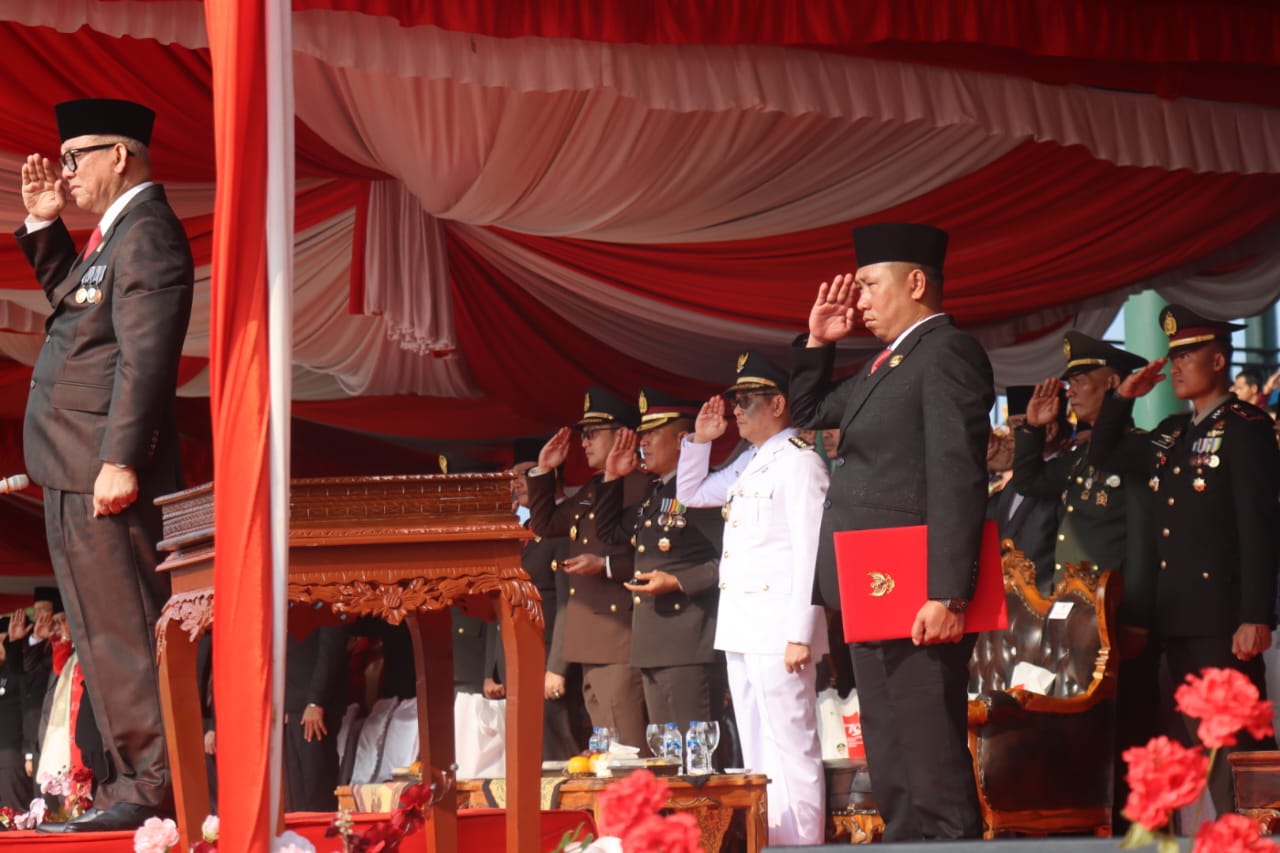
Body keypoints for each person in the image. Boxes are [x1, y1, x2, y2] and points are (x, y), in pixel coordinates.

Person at [18, 97, 194, 832]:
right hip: (72, 467)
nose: (65, 173)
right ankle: (131, 781)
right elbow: (76, 306)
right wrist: (44, 226)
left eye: (75, 159)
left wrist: (121, 458)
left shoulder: (148, 232)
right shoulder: (109, 237)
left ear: (120, 156)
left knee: (124, 627)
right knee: (97, 631)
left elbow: (145, 356)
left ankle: (155, 785)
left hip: (106, 471)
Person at [789, 222, 992, 841]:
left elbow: (956, 475)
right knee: (893, 766)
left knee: (930, 764)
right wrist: (818, 344)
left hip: (917, 589)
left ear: (916, 282)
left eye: (871, 285)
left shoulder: (945, 352)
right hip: (872, 584)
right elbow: (806, 412)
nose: (862, 300)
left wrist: (948, 592)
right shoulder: (889, 361)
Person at [1090, 304, 1280, 816]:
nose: (1174, 367)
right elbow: (1104, 455)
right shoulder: (1174, 433)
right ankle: (1231, 836)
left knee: (1239, 744)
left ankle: (1261, 837)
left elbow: (1259, 527)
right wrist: (1121, 399)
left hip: (1223, 621)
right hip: (1176, 618)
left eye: (1187, 355)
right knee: (1204, 747)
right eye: (1172, 357)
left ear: (1219, 361)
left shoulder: (1245, 427)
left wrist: (1256, 614)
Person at [675, 350, 829, 845]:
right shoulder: (752, 463)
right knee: (757, 751)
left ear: (779, 404)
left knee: (793, 746)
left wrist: (800, 633)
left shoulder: (800, 463)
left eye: (747, 400)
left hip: (780, 631)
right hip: (744, 627)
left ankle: (805, 844)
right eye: (736, 401)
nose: (736, 410)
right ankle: (772, 839)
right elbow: (693, 492)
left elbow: (810, 555)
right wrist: (701, 440)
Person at [1010, 334, 1160, 830]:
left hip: (1115, 618)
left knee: (1128, 731)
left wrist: (1135, 619)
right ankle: (1092, 823)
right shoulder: (1078, 454)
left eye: (1081, 380)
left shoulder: (1135, 452)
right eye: (1070, 381)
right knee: (1085, 731)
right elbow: (1031, 485)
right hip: (1075, 621)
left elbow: (1141, 538)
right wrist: (1032, 431)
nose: (1070, 390)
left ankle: (1136, 831)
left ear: (1114, 385)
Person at [594, 388, 724, 735]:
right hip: (652, 643)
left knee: (696, 755)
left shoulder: (706, 491)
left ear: (683, 440)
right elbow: (608, 533)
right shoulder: (657, 493)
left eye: (653, 433)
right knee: (667, 754)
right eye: (643, 434)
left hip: (689, 641)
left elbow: (729, 561)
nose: (644, 442)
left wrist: (679, 582)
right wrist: (612, 478)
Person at [526, 388, 651, 751]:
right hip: (588, 637)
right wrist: (544, 471)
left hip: (619, 632)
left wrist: (607, 565)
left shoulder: (642, 486)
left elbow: (654, 554)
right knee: (607, 751)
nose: (585, 442)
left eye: (594, 432)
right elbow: (547, 524)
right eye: (584, 434)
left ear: (624, 435)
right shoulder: (594, 488)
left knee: (628, 748)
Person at [989, 385, 1068, 592]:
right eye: (1010, 426)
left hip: (1045, 600)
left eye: (1020, 426)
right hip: (1006, 600)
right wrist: (983, 467)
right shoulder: (1012, 485)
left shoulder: (1063, 478)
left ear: (1049, 430)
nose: (1011, 436)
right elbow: (978, 520)